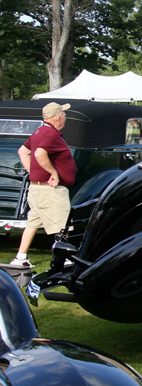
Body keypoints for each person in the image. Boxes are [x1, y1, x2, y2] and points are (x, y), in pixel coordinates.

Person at [8, 102, 77, 269]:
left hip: (36, 188)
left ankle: (20, 258)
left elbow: (23, 151)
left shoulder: (39, 131)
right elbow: (39, 153)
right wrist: (53, 173)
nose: (65, 117)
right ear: (57, 117)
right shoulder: (50, 134)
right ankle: (65, 260)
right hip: (50, 189)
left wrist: (34, 171)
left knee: (33, 223)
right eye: (63, 114)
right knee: (62, 225)